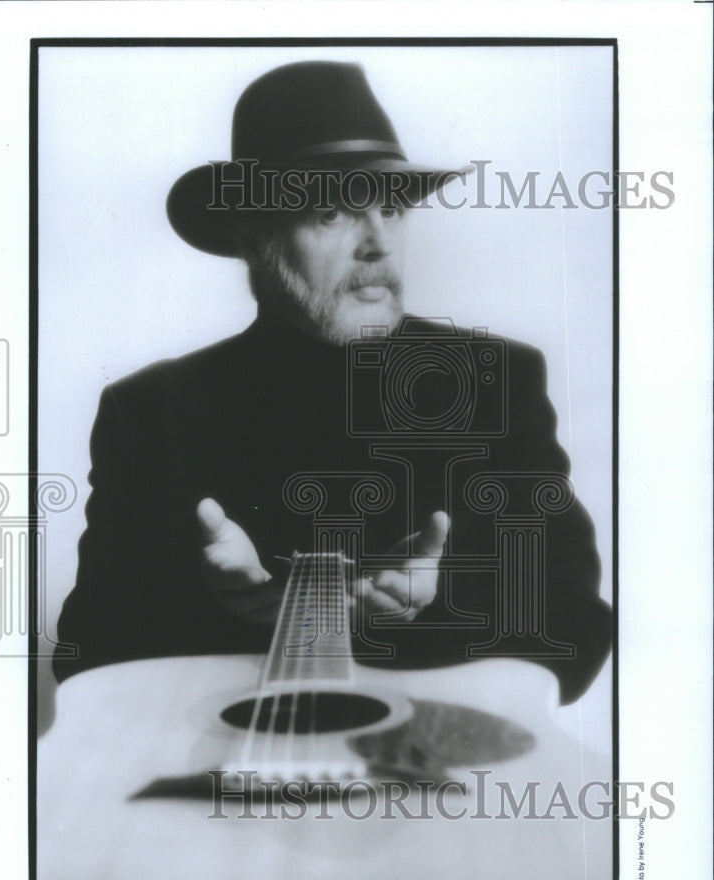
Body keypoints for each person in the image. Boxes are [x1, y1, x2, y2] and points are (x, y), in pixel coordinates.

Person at [53, 60, 612, 705]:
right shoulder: (149, 411)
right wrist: (223, 609)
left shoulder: (497, 382)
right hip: (227, 787)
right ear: (253, 235)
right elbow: (86, 657)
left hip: (430, 785)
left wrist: (423, 612)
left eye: (394, 209)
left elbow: (576, 631)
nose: (378, 243)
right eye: (332, 213)